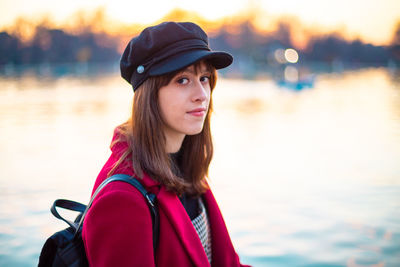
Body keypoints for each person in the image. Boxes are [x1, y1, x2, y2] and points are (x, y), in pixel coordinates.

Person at [82, 21, 250, 267]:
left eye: (204, 78)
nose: (201, 94)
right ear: (150, 94)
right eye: (183, 80)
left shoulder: (187, 169)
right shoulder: (122, 199)